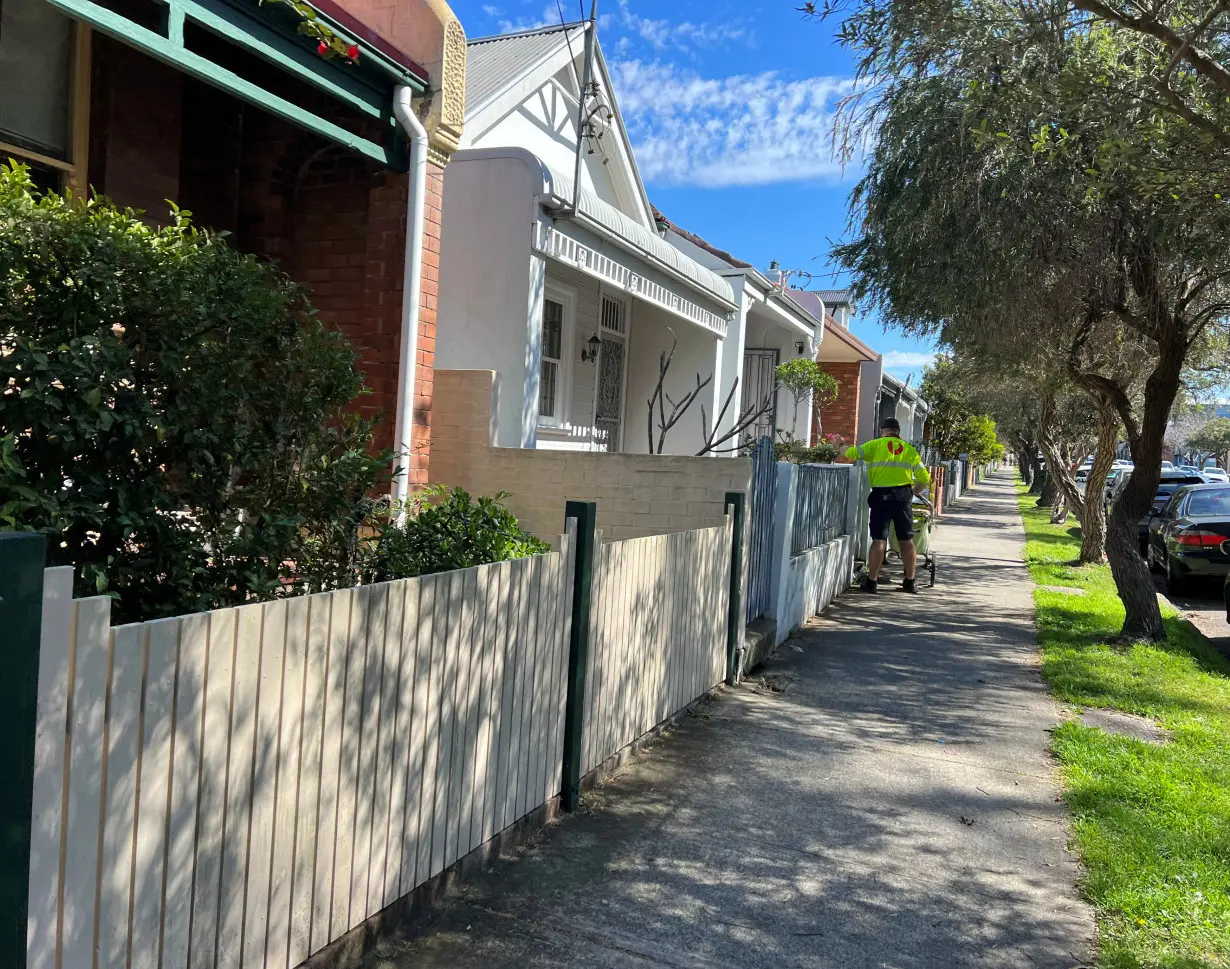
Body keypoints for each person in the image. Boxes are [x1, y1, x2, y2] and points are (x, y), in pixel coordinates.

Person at [845, 418, 932, 593]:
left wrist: (839, 444)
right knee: (906, 540)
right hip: (903, 497)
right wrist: (915, 491)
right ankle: (910, 582)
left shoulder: (874, 445)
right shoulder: (910, 450)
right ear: (898, 432)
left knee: (879, 539)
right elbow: (924, 478)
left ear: (882, 430)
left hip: (881, 496)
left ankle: (872, 582)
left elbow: (850, 453)